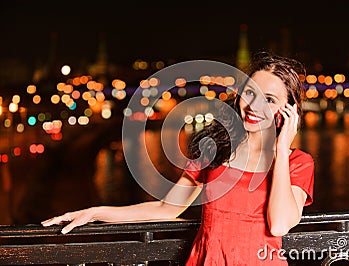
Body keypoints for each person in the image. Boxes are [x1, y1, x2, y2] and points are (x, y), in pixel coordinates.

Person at [42, 50, 314, 265]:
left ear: (289, 111)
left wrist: (280, 151)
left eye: (269, 99)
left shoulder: (297, 163)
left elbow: (279, 223)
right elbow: (167, 209)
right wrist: (96, 213)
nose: (255, 106)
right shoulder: (214, 150)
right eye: (251, 93)